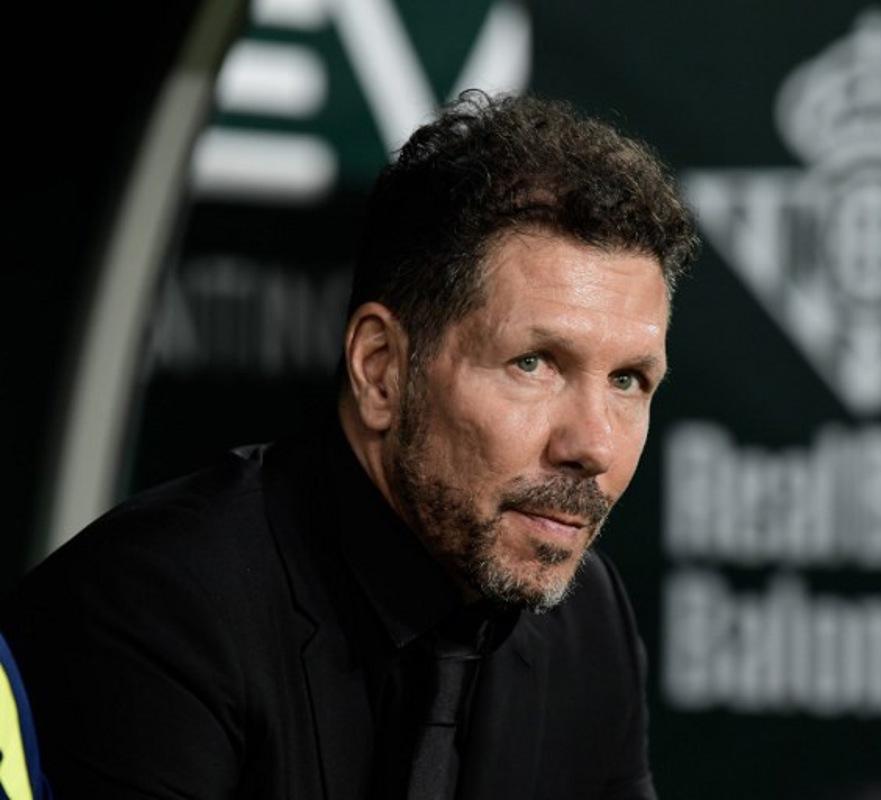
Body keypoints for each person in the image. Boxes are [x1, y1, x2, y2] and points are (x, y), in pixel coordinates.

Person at [2, 92, 698, 799]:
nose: (594, 444)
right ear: (381, 369)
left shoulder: (587, 623)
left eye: (628, 380)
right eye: (534, 363)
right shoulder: (158, 611)